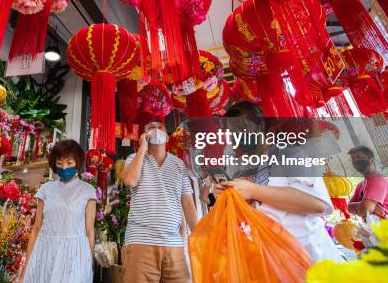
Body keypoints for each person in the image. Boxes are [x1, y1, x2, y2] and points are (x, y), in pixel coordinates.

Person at [214, 101, 343, 262]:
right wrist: (227, 196)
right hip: (271, 260)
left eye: (242, 127)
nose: (237, 135)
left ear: (260, 124)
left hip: (311, 258)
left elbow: (317, 204)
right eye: (232, 131)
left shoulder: (288, 153)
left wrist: (253, 190)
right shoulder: (239, 168)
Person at [120, 118, 199, 283]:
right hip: (140, 242)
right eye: (151, 127)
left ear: (167, 137)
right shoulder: (133, 158)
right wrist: (142, 148)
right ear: (144, 135)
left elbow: (189, 206)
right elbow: (129, 181)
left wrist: (202, 237)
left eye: (160, 127)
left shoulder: (179, 165)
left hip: (174, 245)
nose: (156, 129)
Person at [23, 140, 97, 283]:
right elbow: (36, 227)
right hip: (46, 250)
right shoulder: (45, 189)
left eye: (69, 163)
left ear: (78, 162)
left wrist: (90, 263)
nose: (64, 167)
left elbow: (90, 231)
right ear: (54, 164)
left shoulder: (88, 191)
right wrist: (26, 267)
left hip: (75, 253)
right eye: (59, 163)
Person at [348, 145, 388, 218]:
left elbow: (366, 208)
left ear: (371, 160)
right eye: (353, 159)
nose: (356, 161)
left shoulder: (377, 180)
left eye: (359, 158)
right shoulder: (361, 185)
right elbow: (349, 208)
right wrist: (362, 205)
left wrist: (362, 207)